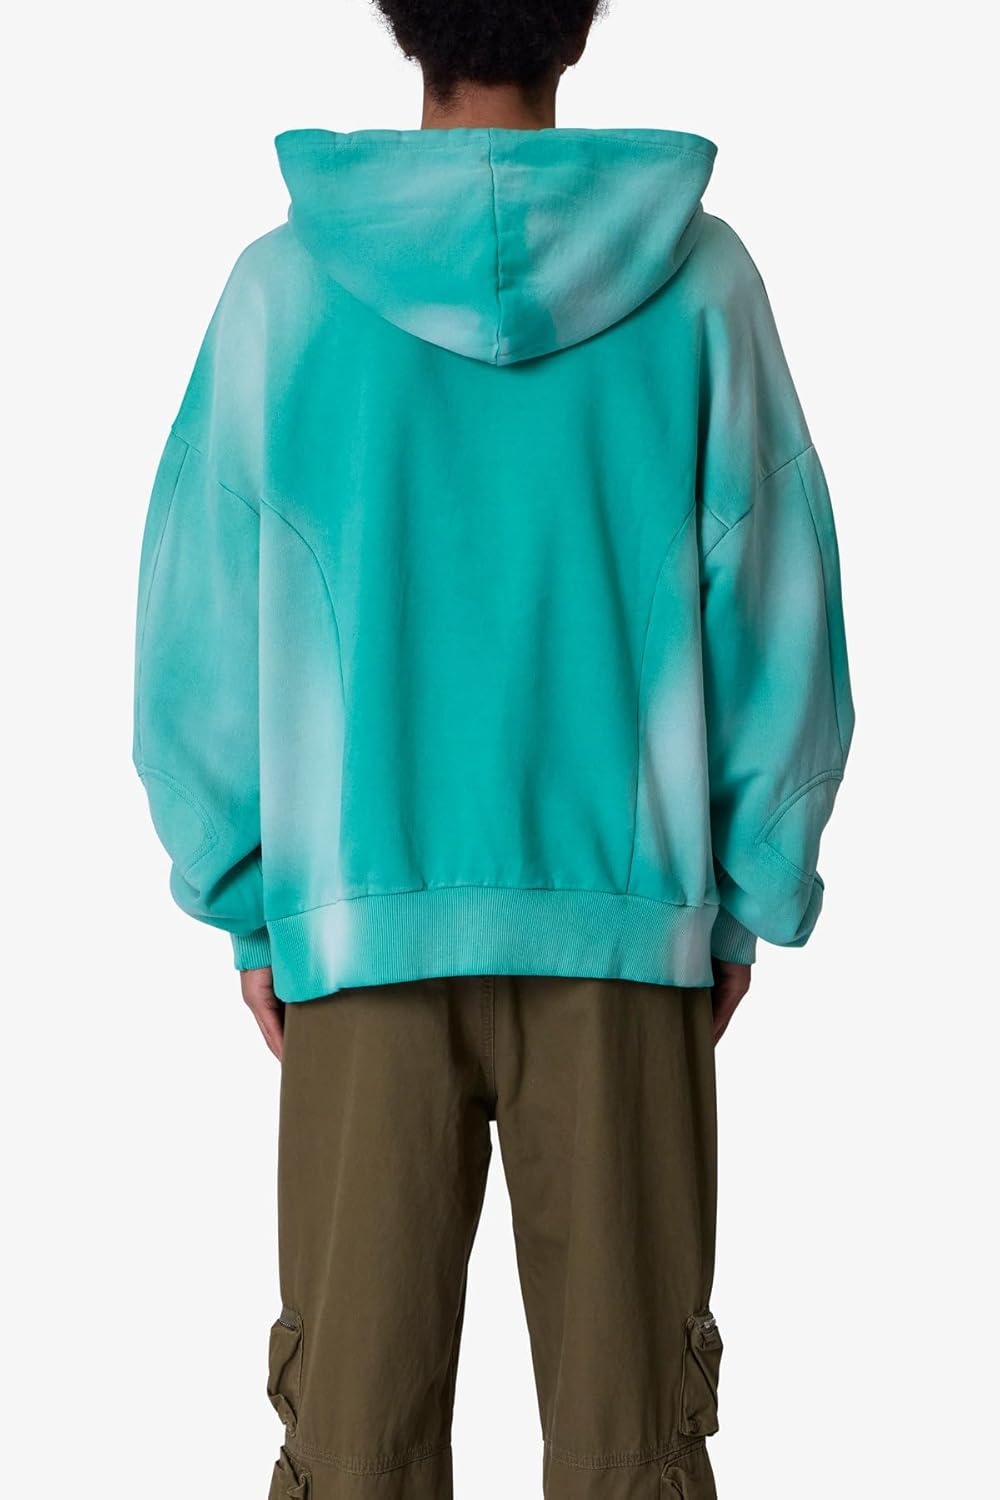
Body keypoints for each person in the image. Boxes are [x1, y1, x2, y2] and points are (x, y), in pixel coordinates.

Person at [132, 2, 853, 1495]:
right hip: (625, 945)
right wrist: (747, 892)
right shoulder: (702, 284)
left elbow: (194, 632)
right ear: (577, 27)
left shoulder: (283, 295)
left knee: (351, 1450)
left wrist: (251, 898)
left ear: (404, 23)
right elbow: (779, 604)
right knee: (634, 1453)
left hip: (357, 945)